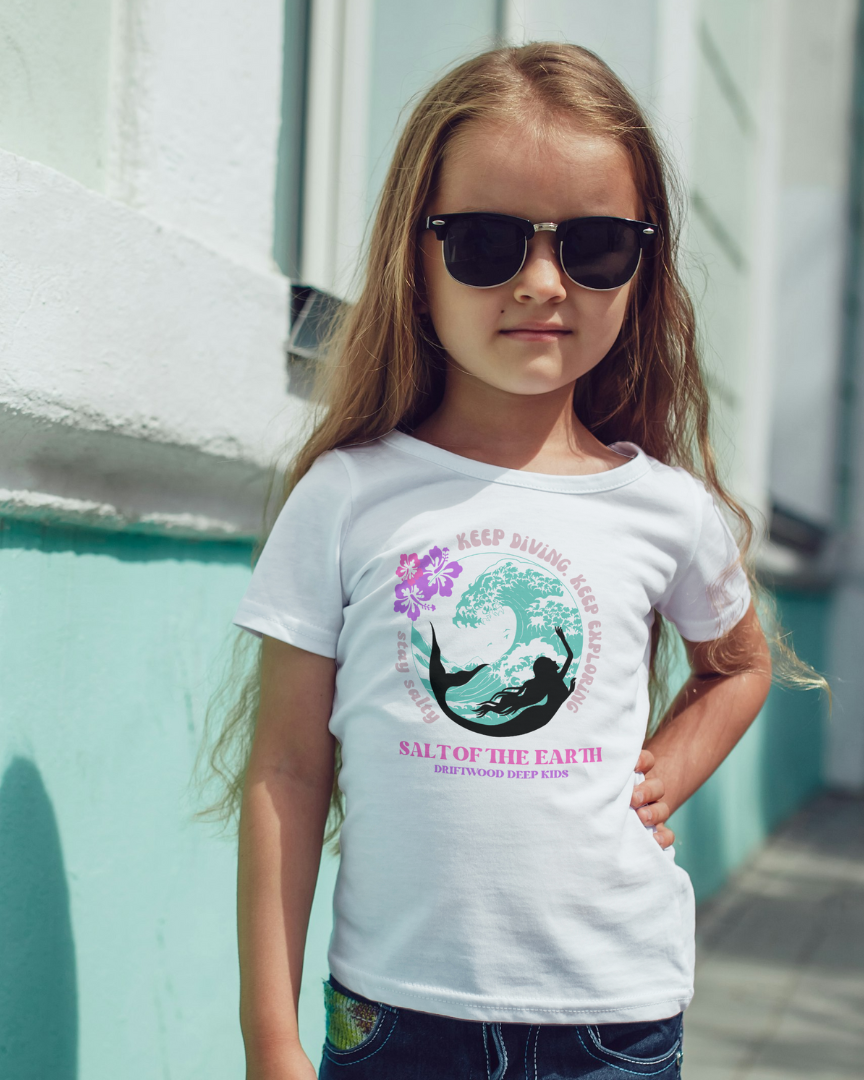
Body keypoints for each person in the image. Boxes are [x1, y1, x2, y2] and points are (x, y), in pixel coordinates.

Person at [203, 41, 826, 1080]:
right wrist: (270, 1040)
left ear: (643, 264)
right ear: (416, 255)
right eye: (487, 241)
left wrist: (668, 771)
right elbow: (286, 768)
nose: (543, 281)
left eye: (594, 247)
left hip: (612, 1022)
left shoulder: (665, 510)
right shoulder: (349, 498)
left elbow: (740, 664)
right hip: (397, 1018)